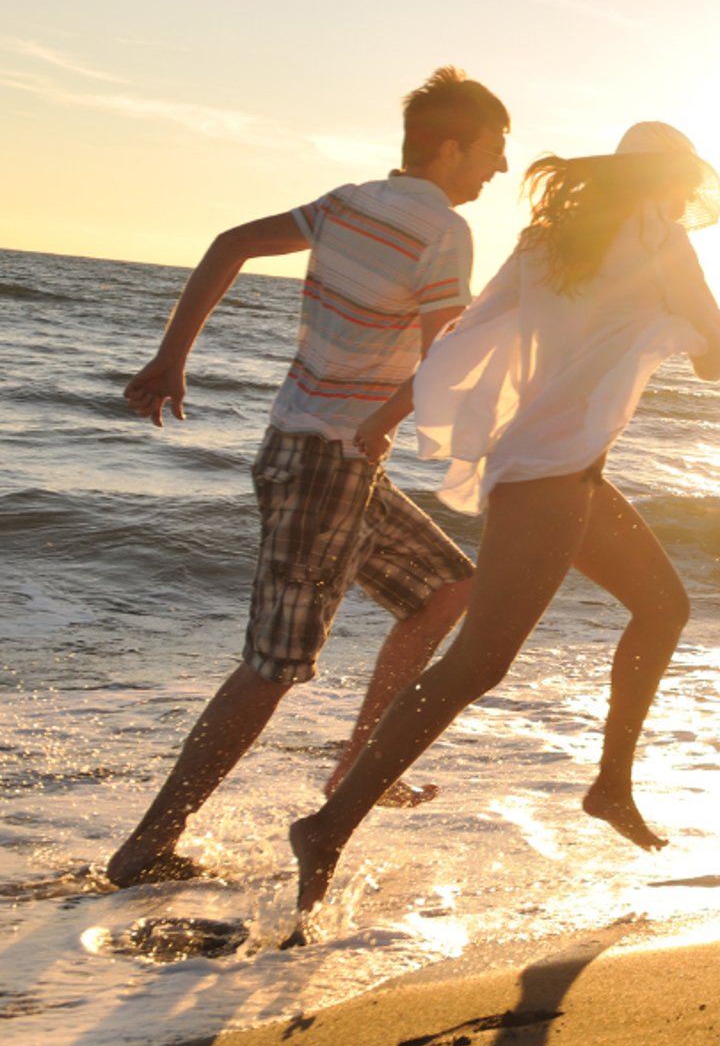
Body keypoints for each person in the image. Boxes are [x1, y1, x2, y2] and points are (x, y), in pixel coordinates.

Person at [288, 121, 720, 923]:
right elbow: (717, 354)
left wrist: (403, 412)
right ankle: (328, 826)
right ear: (666, 182)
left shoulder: (548, 238)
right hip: (552, 476)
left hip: (542, 466)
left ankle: (611, 786)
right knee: (477, 666)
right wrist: (693, 330)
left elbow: (467, 333)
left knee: (664, 605)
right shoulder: (662, 239)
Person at [105, 68, 511, 887]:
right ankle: (146, 848)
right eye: (493, 151)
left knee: (447, 591)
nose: (497, 171)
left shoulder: (346, 201)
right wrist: (384, 421)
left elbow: (229, 244)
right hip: (327, 459)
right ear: (448, 146)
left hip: (325, 456)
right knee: (274, 665)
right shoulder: (441, 231)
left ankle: (361, 766)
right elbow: (446, 362)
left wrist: (171, 356)